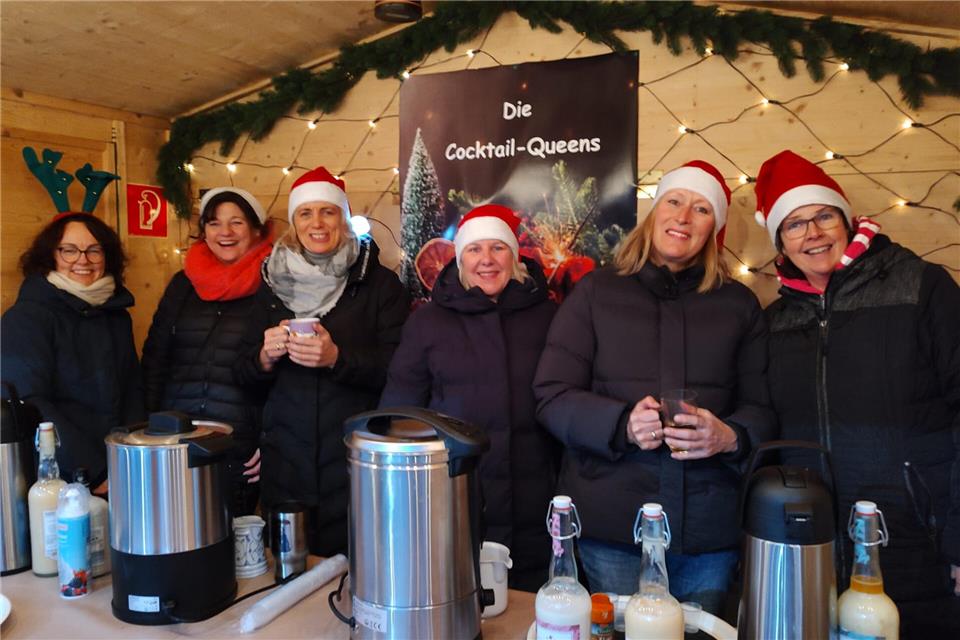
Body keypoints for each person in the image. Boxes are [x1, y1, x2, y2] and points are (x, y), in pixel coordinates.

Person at [534, 160, 775, 614]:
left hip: (709, 533)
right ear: (654, 212)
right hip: (613, 527)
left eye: (701, 209)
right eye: (674, 201)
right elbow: (552, 395)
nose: (683, 217)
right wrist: (621, 425)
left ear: (714, 228)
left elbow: (762, 408)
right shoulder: (595, 293)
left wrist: (729, 436)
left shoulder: (738, 304)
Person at [755, 149, 960, 637]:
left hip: (917, 544)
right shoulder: (773, 322)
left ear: (847, 221)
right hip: (811, 551)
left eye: (824, 216)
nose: (813, 233)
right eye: (795, 224)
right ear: (781, 243)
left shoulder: (922, 287)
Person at [380, 204, 559, 591]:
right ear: (461, 258)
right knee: (461, 600)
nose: (486, 260)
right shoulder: (427, 322)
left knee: (533, 605)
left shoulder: (549, 316)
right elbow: (399, 413)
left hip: (536, 498)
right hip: (455, 497)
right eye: (475, 249)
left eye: (498, 248)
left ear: (514, 256)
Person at [234, 167, 410, 556]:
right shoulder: (272, 282)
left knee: (356, 568)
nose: (317, 223)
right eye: (305, 213)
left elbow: (399, 372)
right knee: (288, 570)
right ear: (294, 223)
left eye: (328, 212)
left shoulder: (379, 285)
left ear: (343, 220)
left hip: (353, 461)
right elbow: (242, 372)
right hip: (285, 464)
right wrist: (264, 356)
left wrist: (337, 359)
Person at [141, 187, 274, 516]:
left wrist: (272, 440)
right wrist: (146, 427)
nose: (225, 232)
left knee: (230, 533)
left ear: (257, 230)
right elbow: (155, 359)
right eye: (214, 223)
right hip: (174, 439)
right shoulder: (183, 284)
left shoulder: (276, 283)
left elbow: (286, 376)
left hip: (240, 445)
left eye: (236, 222)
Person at [1, 213, 144, 492]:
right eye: (69, 250)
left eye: (94, 250)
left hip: (122, 467)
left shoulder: (117, 316)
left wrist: (133, 455)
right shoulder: (26, 318)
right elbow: (30, 403)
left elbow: (132, 389)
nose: (83, 260)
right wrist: (92, 470)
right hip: (58, 476)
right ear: (50, 256)